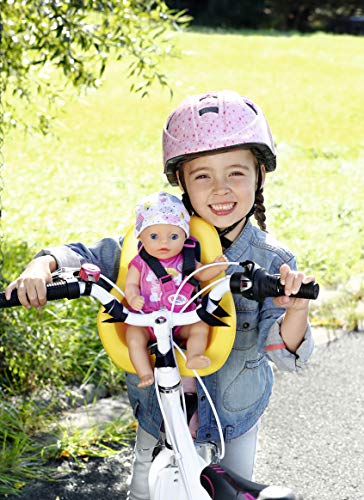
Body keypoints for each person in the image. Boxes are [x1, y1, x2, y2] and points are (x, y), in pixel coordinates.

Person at [6, 90, 315, 500]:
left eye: (236, 173)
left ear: (260, 174)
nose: (221, 189)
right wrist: (41, 266)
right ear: (182, 181)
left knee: (232, 491)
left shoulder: (270, 260)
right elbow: (87, 255)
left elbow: (283, 351)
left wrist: (296, 309)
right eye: (203, 175)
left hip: (232, 417)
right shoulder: (157, 237)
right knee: (144, 488)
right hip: (159, 409)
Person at [125, 190, 228, 387]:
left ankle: (195, 355)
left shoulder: (186, 259)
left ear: (184, 237)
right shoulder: (139, 262)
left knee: (200, 327)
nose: (164, 242)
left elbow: (200, 274)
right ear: (141, 238)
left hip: (182, 317)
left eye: (174, 236)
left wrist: (216, 267)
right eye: (154, 236)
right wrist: (132, 297)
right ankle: (145, 373)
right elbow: (130, 284)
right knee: (134, 337)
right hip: (147, 319)